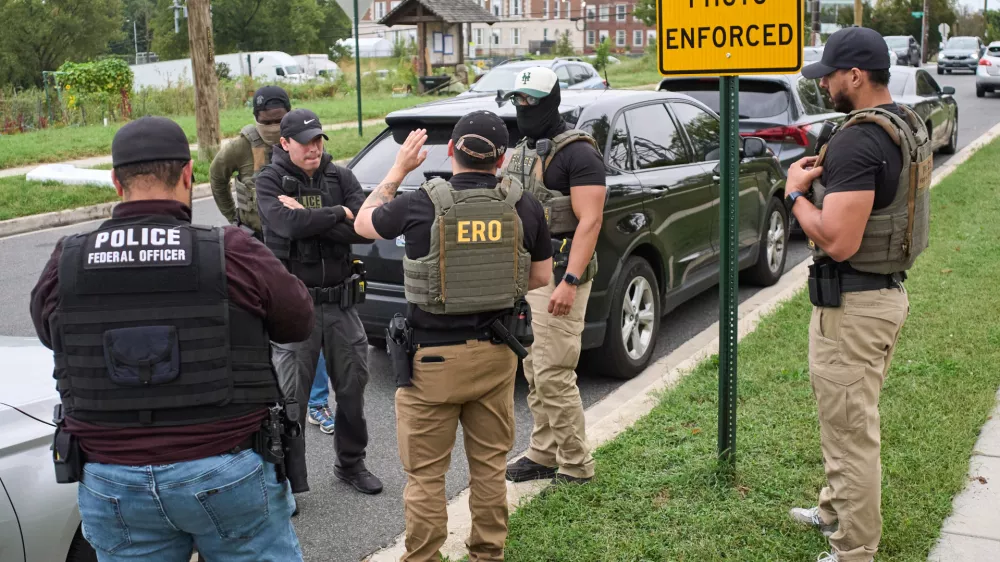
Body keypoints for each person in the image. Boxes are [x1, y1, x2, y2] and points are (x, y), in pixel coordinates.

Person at [29, 116, 313, 561]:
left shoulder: (67, 259)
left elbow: (51, 336)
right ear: (187, 174)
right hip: (226, 470)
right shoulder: (232, 250)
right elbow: (298, 322)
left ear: (115, 182)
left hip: (112, 479)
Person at [353, 111, 553, 561]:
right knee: (488, 470)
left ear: (450, 152)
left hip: (431, 366)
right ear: (501, 159)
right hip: (497, 356)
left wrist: (399, 169)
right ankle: (488, 554)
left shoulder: (418, 202)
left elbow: (362, 223)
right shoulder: (524, 205)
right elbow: (541, 276)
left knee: (426, 476)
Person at [785, 27, 931, 562]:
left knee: (851, 432)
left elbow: (840, 240)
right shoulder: (902, 124)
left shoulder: (858, 139)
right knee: (844, 418)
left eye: (829, 76)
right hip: (881, 296)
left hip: (855, 305)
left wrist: (795, 196)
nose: (823, 85)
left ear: (856, 76)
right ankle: (832, 509)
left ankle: (854, 549)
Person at [256, 108, 382, 494]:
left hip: (342, 305)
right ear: (284, 143)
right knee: (290, 399)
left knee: (352, 388)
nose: (314, 148)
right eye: (305, 142)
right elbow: (287, 225)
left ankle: (351, 464)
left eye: (318, 140)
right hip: (296, 308)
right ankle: (289, 481)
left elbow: (364, 229)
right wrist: (338, 214)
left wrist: (334, 215)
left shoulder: (340, 176)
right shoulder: (270, 180)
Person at [498, 67, 607, 485]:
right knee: (533, 367)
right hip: (529, 276)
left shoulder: (579, 153)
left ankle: (577, 466)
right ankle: (542, 454)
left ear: (552, 101)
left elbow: (590, 222)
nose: (524, 107)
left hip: (562, 276)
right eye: (519, 100)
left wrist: (571, 280)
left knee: (553, 372)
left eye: (532, 100)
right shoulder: (524, 148)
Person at [208, 86, 336, 434]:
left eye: (279, 121)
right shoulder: (241, 146)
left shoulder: (305, 144)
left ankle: (317, 402)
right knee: (252, 322)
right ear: (256, 119)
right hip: (255, 244)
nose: (273, 126)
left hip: (294, 246)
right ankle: (261, 400)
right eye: (267, 121)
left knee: (304, 320)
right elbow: (217, 177)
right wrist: (234, 218)